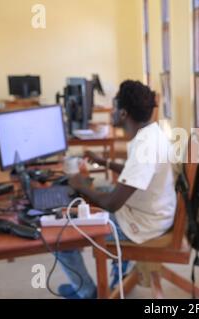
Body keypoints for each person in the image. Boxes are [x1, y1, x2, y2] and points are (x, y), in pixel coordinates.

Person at [57, 80, 177, 299]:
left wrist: (81, 184)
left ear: (122, 114)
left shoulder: (145, 146)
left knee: (60, 233)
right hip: (154, 213)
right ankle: (115, 274)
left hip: (142, 225)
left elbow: (112, 203)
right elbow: (137, 174)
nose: (110, 112)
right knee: (96, 191)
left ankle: (87, 292)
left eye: (113, 108)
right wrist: (104, 163)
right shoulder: (152, 133)